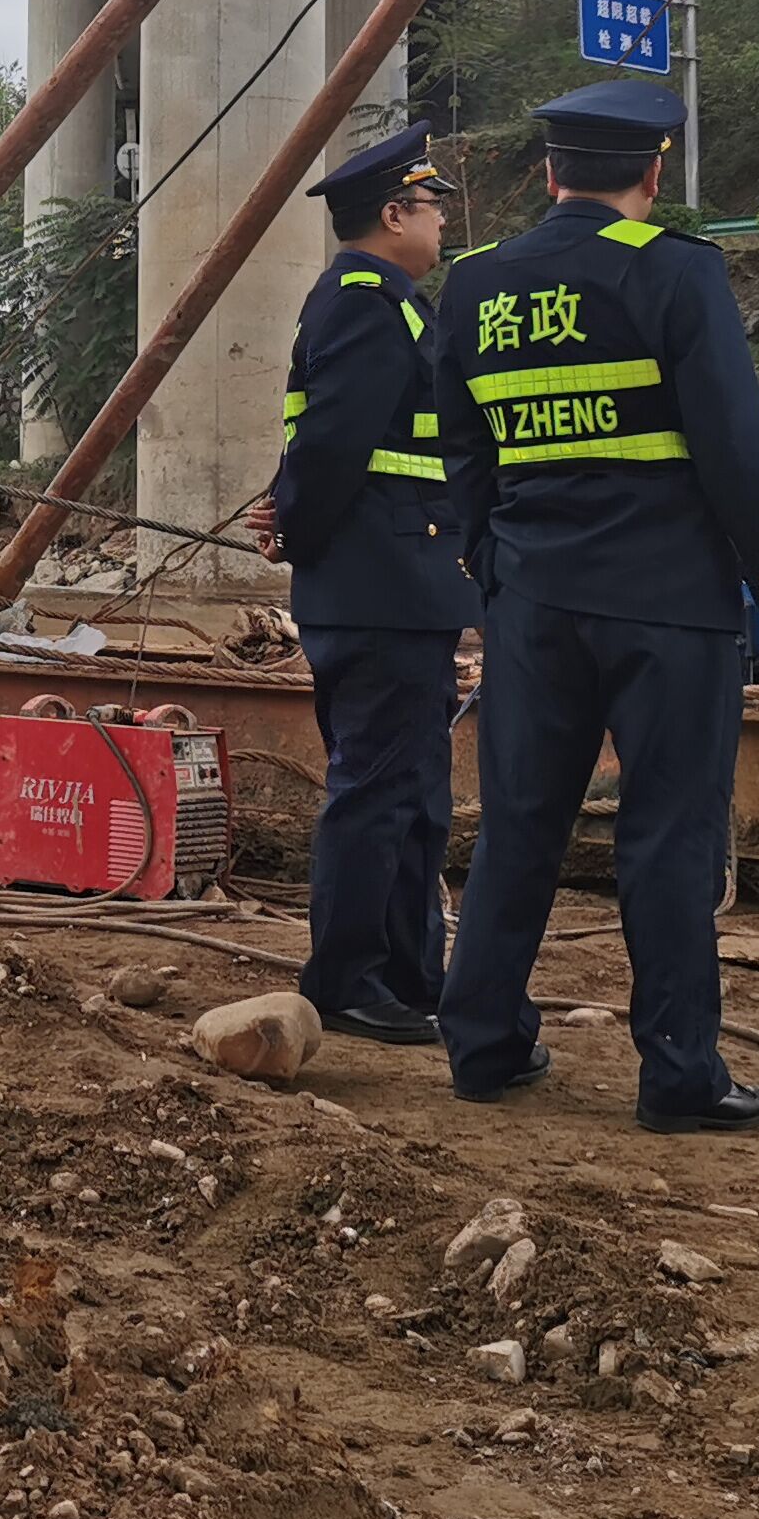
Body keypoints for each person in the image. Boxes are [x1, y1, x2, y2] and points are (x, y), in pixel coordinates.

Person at [429, 78, 759, 1134]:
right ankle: (679, 1076)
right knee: (670, 832)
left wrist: (495, 563)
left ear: (549, 173)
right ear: (653, 172)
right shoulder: (677, 271)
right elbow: (735, 448)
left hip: (532, 599)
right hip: (669, 603)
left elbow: (461, 450)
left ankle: (482, 1046)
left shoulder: (475, 282)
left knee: (520, 821)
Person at [257, 123, 478, 1047]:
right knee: (377, 790)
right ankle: (347, 979)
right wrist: (296, 530)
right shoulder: (363, 305)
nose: (441, 222)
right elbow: (333, 446)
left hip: (403, 585)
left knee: (415, 795)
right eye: (430, 207)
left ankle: (409, 974)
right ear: (393, 214)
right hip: (377, 586)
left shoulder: (390, 304)